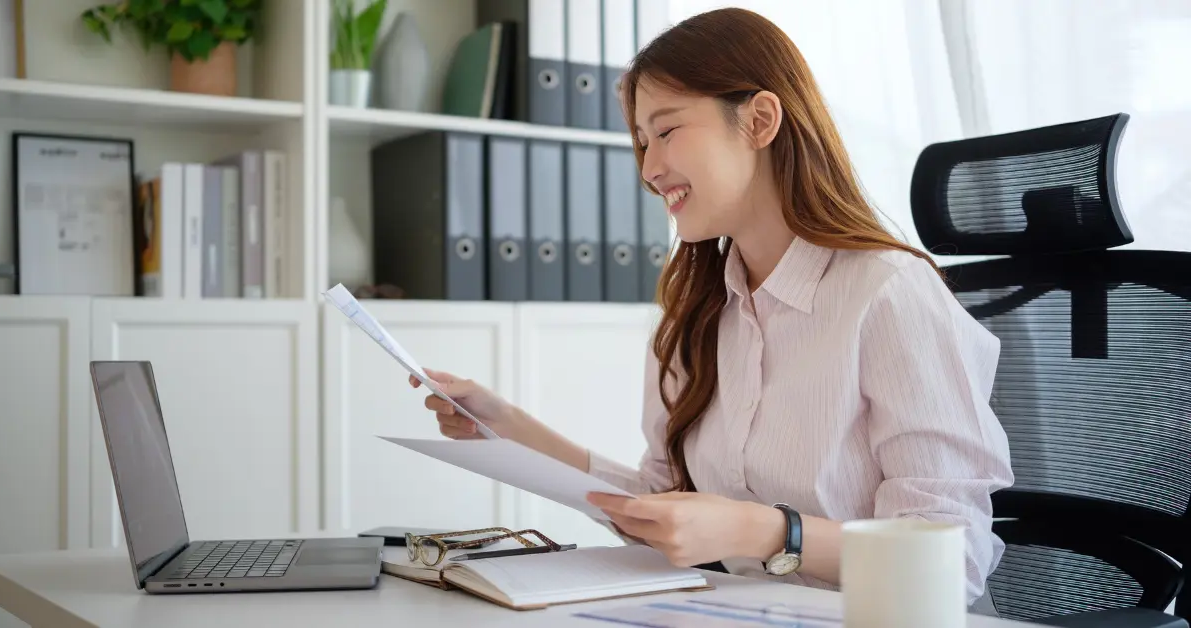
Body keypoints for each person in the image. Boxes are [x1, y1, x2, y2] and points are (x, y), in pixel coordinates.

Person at [408, 6, 1013, 616]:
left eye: (667, 131)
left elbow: (952, 558)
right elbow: (664, 504)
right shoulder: (692, 313)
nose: (648, 169)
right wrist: (508, 429)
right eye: (642, 143)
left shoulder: (887, 292)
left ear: (759, 120)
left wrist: (765, 532)